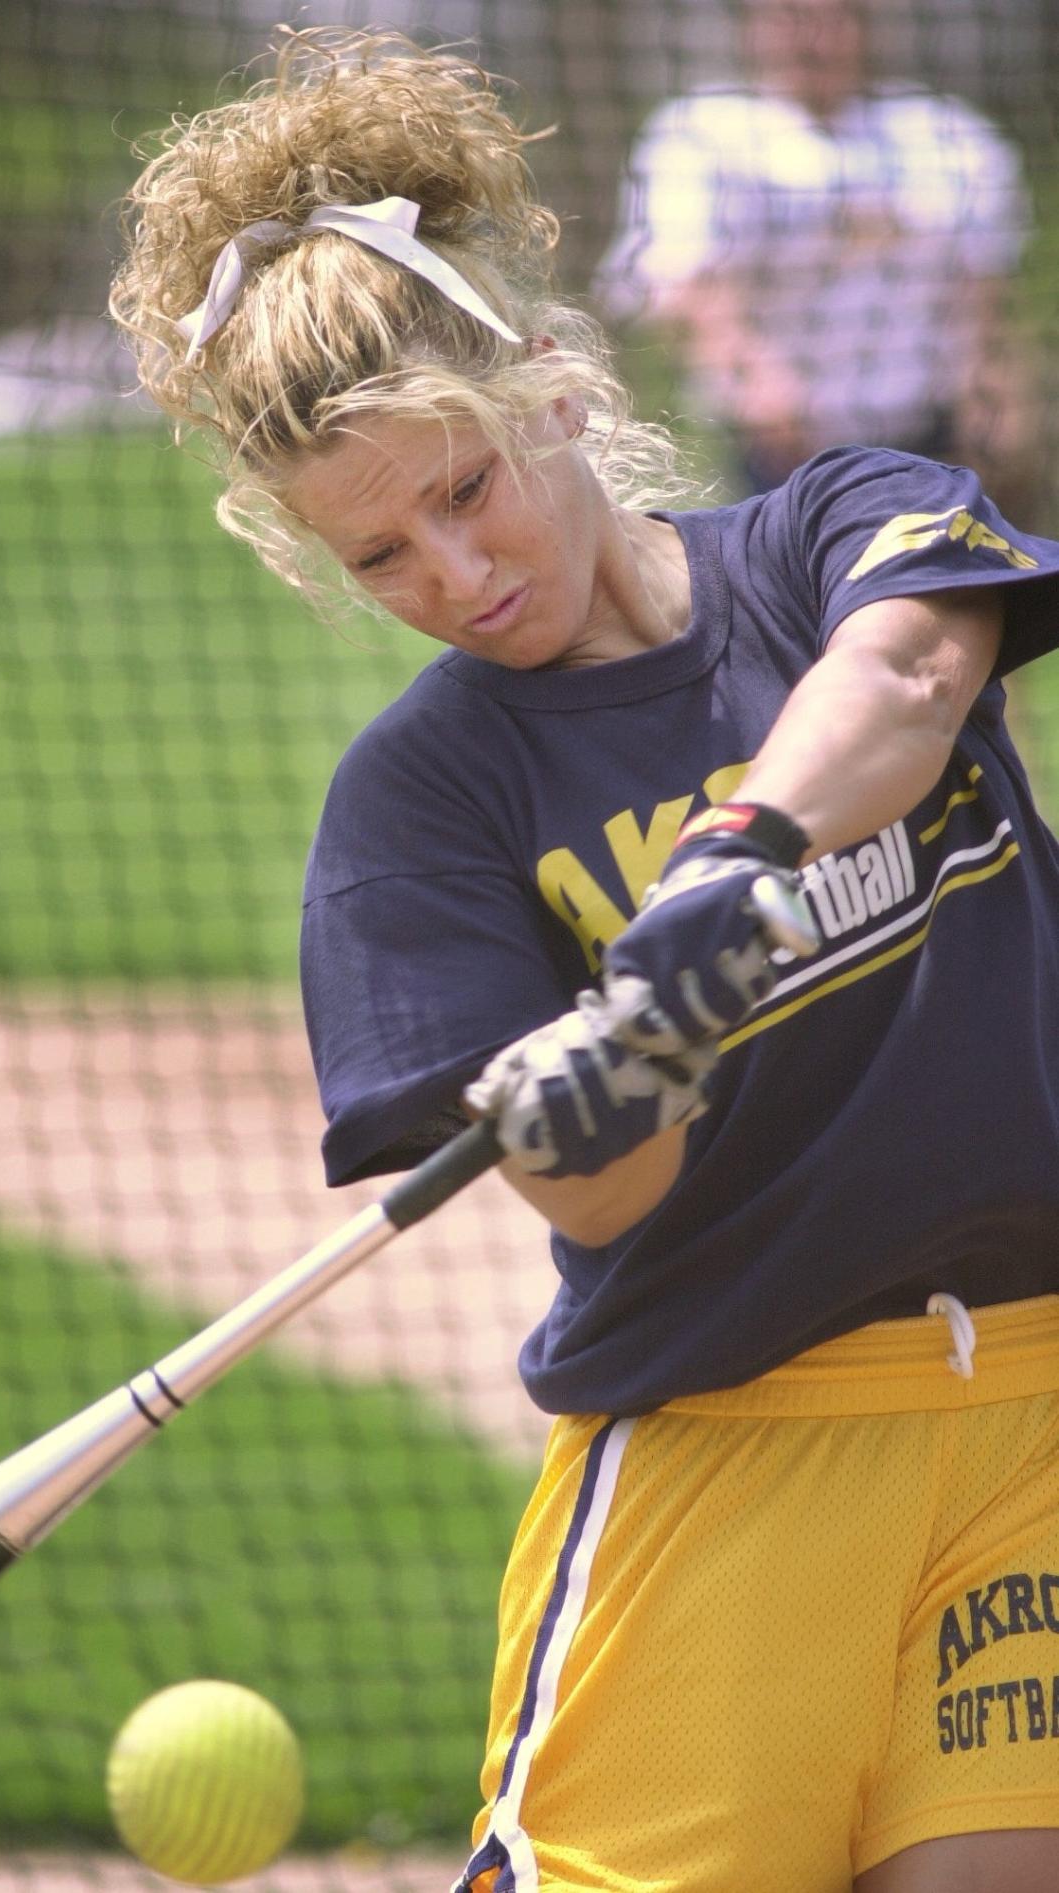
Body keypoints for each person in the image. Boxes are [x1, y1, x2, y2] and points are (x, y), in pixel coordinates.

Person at [110, 27, 1059, 1891]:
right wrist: (610, 1082)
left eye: (460, 490)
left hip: (1027, 1403)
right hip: (731, 1445)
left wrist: (731, 868)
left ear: (545, 387)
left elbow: (915, 680)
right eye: (379, 554)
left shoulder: (822, 534)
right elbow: (608, 1200)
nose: (452, 575)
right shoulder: (425, 802)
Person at [592, 0, 1045, 520]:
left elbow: (984, 295)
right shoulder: (700, 133)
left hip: (931, 442)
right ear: (753, 25)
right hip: (775, 457)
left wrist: (997, 403)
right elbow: (689, 288)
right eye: (789, 15)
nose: (812, 34)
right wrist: (765, 393)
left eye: (836, 14)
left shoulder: (945, 134)